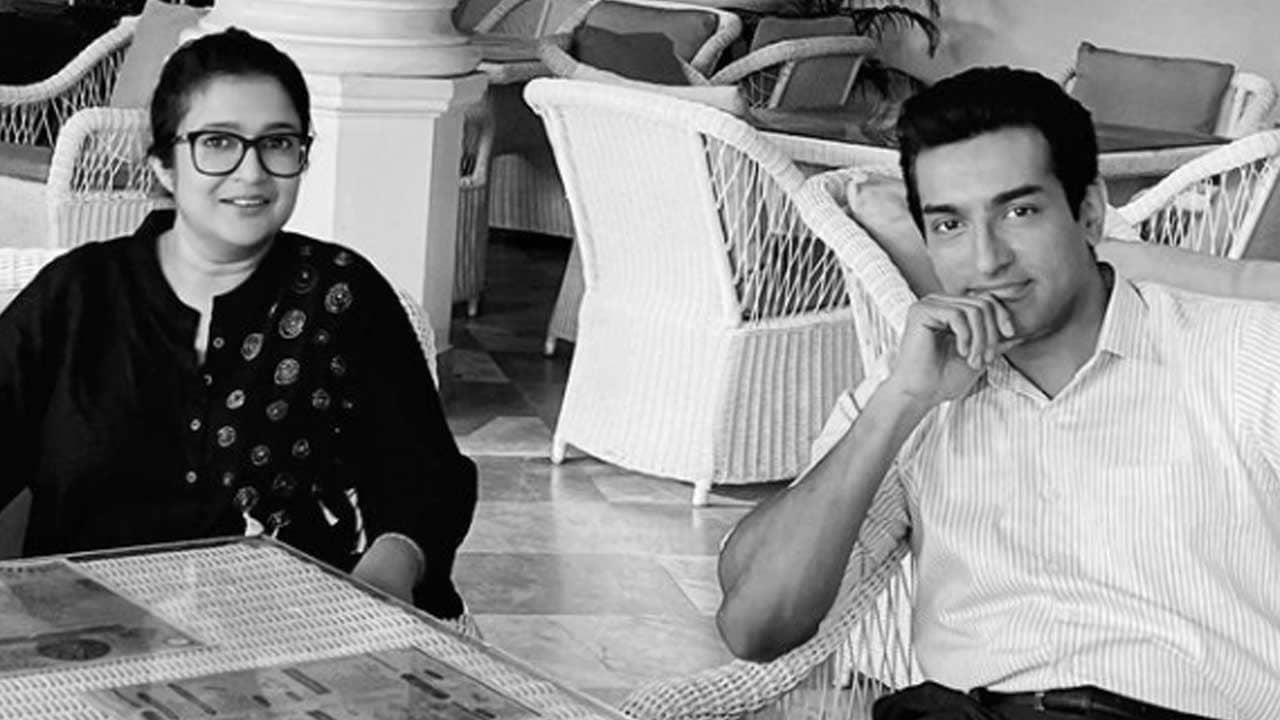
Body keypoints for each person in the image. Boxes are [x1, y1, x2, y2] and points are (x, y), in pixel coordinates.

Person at [715, 67, 1280, 720]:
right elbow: (755, 627)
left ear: (1089, 212)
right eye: (949, 225)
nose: (987, 261)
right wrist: (899, 404)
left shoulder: (1247, 356)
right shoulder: (913, 390)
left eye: (1019, 212)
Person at [0, 28, 477, 620]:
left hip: (293, 636)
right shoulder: (76, 297)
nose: (252, 172)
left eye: (278, 143)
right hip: (86, 638)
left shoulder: (341, 296)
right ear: (164, 164)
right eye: (218, 142)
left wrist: (385, 576)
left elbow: (425, 475)